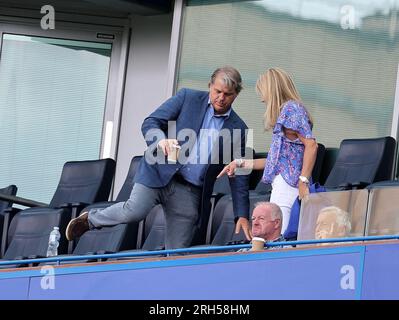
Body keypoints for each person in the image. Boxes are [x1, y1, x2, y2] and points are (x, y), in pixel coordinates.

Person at [66, 66, 252, 249]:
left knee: (177, 251)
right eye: (217, 91)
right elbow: (151, 122)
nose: (221, 98)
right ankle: (90, 220)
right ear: (210, 85)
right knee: (134, 211)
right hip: (158, 171)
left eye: (227, 94)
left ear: (236, 94)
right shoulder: (187, 97)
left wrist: (241, 214)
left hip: (190, 191)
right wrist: (161, 141)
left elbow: (241, 174)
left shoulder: (240, 128)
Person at [218, 68, 318, 235]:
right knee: (281, 236)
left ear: (272, 90)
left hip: (289, 186)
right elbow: (275, 161)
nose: (262, 99)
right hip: (284, 184)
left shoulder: (291, 109)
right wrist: (239, 163)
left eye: (262, 93)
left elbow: (312, 145)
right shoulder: (287, 112)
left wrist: (303, 180)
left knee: (283, 236)